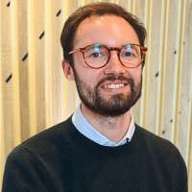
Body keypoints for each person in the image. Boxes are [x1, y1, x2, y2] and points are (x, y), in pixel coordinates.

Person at [2, 2, 188, 192]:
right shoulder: (31, 165)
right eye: (96, 53)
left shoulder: (168, 159)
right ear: (68, 69)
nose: (116, 68)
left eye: (128, 52)